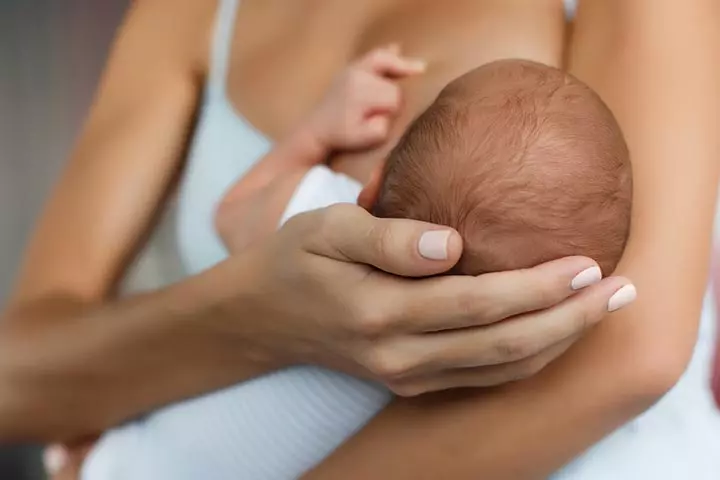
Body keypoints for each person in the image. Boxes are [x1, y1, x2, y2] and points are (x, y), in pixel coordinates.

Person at [0, 0, 716, 478]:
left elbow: (634, 355)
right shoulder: (190, 16)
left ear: (371, 194)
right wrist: (261, 315)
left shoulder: (315, 208)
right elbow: (15, 379)